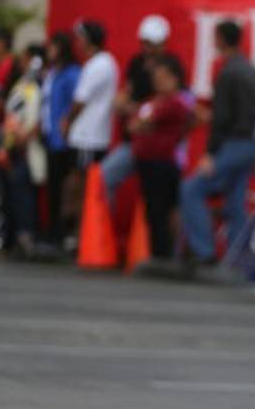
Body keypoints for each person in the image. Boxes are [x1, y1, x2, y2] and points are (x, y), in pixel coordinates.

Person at [179, 19, 255, 267]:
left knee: (191, 190)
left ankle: (204, 252)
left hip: (232, 144)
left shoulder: (227, 73)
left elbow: (220, 119)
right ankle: (238, 256)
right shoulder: (254, 71)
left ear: (220, 39)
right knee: (235, 201)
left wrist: (210, 152)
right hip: (250, 146)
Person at [104, 15, 183, 206]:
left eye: (151, 43)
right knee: (105, 176)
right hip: (135, 142)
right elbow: (127, 92)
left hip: (160, 146)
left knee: (160, 201)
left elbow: (172, 102)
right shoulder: (137, 62)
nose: (146, 48)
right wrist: (121, 103)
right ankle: (103, 232)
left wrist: (140, 113)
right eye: (144, 42)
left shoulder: (172, 65)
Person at [127, 56, 191, 259]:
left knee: (161, 209)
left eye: (163, 77)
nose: (158, 81)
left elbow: (142, 123)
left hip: (163, 162)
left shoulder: (176, 102)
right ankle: (158, 252)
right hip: (147, 161)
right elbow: (133, 124)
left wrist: (144, 124)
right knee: (153, 210)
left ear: (174, 79)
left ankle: (164, 254)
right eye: (156, 77)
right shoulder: (153, 101)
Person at [0, 44, 46, 254]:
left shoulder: (34, 87)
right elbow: (12, 119)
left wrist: (8, 146)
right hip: (16, 147)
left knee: (21, 191)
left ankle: (22, 235)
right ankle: (14, 236)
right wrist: (6, 147)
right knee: (14, 192)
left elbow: (21, 121)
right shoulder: (24, 87)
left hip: (25, 148)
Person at [40, 32, 81, 246]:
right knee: (52, 187)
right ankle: (52, 229)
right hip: (49, 135)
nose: (49, 51)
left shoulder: (72, 73)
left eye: (53, 47)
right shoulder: (53, 73)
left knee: (63, 188)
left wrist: (66, 125)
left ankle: (61, 232)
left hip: (63, 138)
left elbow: (77, 100)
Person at [63, 20, 118, 168]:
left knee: (81, 184)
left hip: (88, 138)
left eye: (80, 38)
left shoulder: (98, 64)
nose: (77, 43)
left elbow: (80, 101)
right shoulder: (101, 62)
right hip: (89, 138)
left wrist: (67, 123)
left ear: (88, 40)